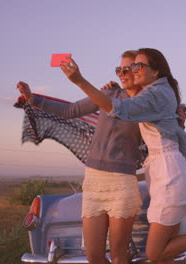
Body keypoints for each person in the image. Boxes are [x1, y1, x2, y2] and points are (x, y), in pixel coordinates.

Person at [60, 48, 186, 263]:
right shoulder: (153, 92)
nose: (133, 70)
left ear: (156, 72)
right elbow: (131, 102)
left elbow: (120, 109)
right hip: (160, 171)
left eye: (138, 66)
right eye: (129, 67)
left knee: (155, 253)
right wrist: (118, 88)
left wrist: (80, 81)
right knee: (164, 257)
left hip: (169, 174)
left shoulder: (157, 94)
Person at [17, 50, 144, 264]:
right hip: (93, 180)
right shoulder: (109, 95)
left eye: (127, 68)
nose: (122, 73)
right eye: (118, 69)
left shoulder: (146, 104)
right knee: (94, 256)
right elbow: (71, 109)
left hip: (122, 183)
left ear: (140, 70)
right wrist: (33, 99)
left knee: (119, 255)